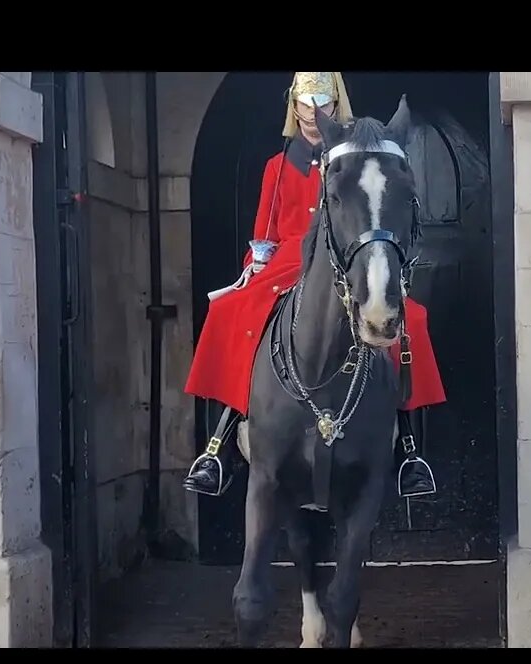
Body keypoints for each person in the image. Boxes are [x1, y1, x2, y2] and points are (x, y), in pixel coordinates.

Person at [182, 71, 445, 500]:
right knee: (231, 311)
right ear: (294, 107)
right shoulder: (277, 165)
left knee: (410, 317)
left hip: (342, 257)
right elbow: (264, 228)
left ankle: (410, 449)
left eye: (320, 103)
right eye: (304, 104)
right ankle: (222, 442)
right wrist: (255, 267)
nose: (311, 113)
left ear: (335, 103)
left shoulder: (355, 156)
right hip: (288, 259)